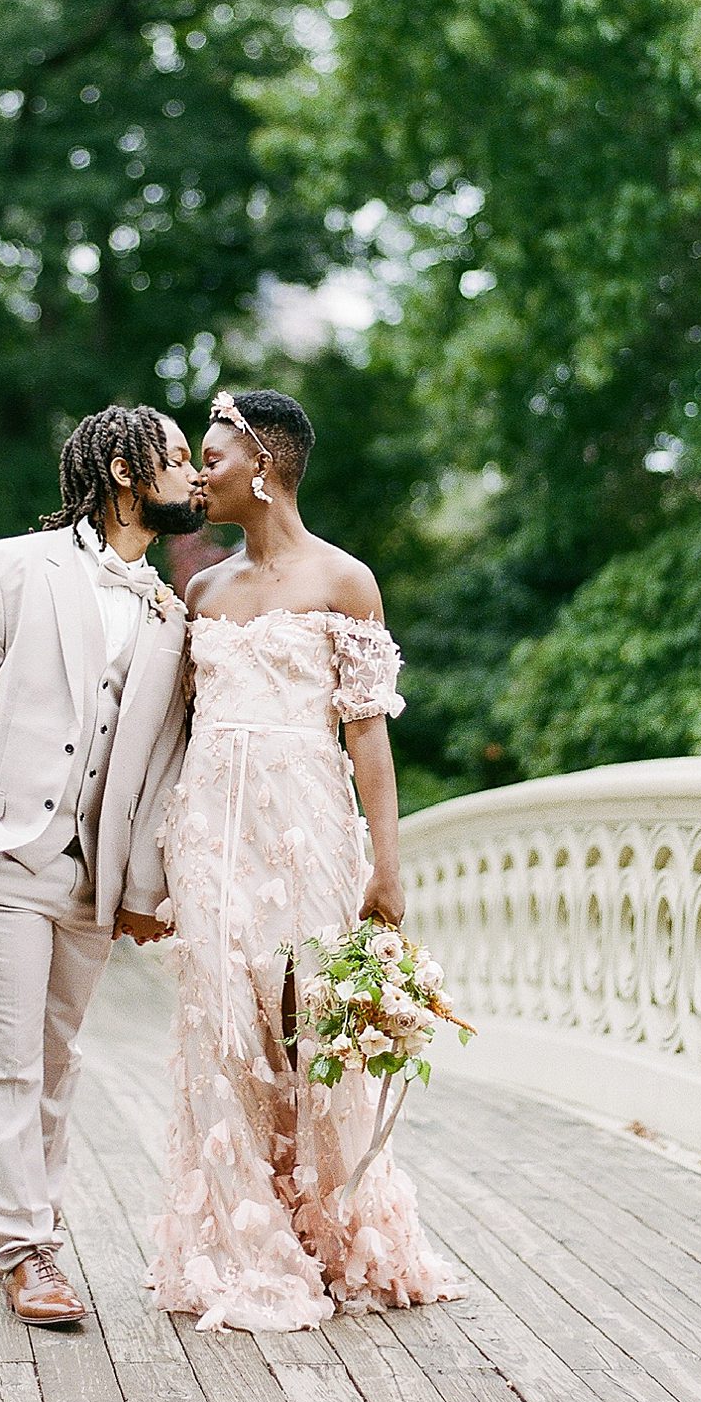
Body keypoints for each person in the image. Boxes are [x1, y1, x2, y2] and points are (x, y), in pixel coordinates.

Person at [146, 387, 463, 1330]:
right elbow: (171, 731)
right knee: (222, 1025)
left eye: (214, 453)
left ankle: (333, 1227)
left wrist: (388, 866)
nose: (202, 469)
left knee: (308, 1022)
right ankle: (248, 1242)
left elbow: (368, 736)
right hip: (211, 833)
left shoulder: (345, 582)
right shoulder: (199, 590)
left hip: (309, 829)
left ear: (267, 465)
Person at [0, 404, 204, 1325]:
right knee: (2, 1061)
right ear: (124, 470)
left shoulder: (168, 609)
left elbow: (161, 758)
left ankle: (33, 1221)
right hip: (0, 854)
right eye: (178, 460)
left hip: (93, 874)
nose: (195, 477)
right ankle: (25, 1247)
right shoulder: (2, 568)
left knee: (54, 1056)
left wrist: (142, 883)